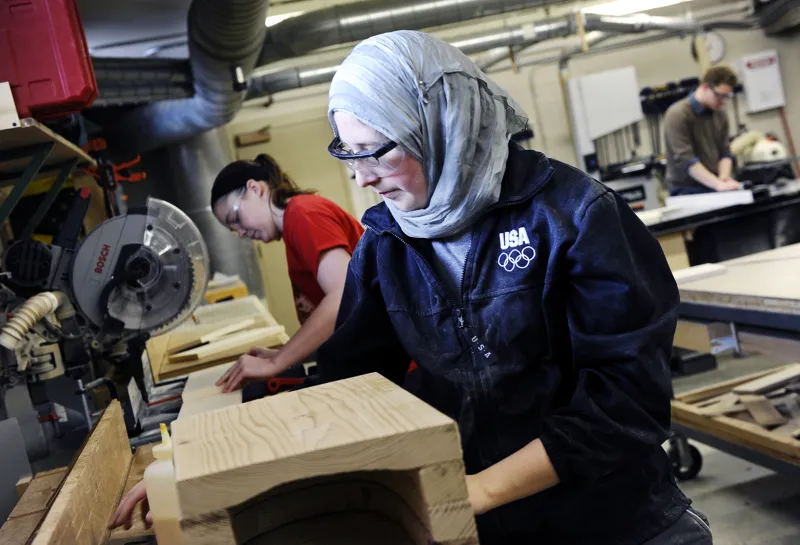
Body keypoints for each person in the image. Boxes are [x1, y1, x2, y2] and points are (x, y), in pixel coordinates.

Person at [316, 31, 712, 545]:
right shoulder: (387, 244)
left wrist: (482, 489)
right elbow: (353, 383)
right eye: (349, 154)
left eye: (376, 153)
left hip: (614, 519)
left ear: (441, 125)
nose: (363, 178)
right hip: (487, 525)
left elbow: (628, 400)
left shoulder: (576, 216)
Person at [108, 152, 364, 532]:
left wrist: (278, 363)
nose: (240, 233)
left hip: (396, 368)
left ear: (255, 189)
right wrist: (282, 353)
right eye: (233, 230)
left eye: (236, 219)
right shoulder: (296, 225)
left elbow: (344, 294)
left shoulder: (303, 214)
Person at [664, 65, 741, 195]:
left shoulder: (720, 114)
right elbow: (686, 160)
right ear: (705, 87)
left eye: (727, 96)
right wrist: (718, 185)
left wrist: (724, 178)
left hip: (714, 184)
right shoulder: (677, 114)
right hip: (686, 190)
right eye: (720, 96)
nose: (723, 101)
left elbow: (725, 151)